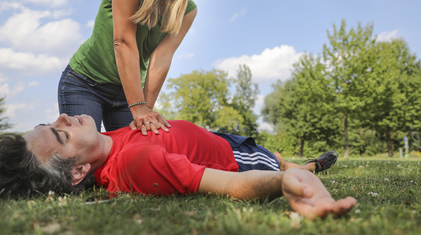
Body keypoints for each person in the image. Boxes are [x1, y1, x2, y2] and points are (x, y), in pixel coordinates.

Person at [0, 114, 356, 219]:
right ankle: (308, 169)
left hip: (213, 137)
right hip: (233, 157)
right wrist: (283, 182)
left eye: (52, 122)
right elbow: (230, 185)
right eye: (61, 135)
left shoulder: (108, 137)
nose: (63, 117)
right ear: (78, 172)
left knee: (276, 154)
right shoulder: (137, 164)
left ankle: (299, 163)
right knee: (272, 159)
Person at [58, 0, 201, 134]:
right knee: (87, 157)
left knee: (135, 154)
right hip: (85, 83)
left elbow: (161, 58)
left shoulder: (187, 10)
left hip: (129, 94)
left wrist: (145, 110)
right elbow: (123, 41)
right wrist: (138, 106)